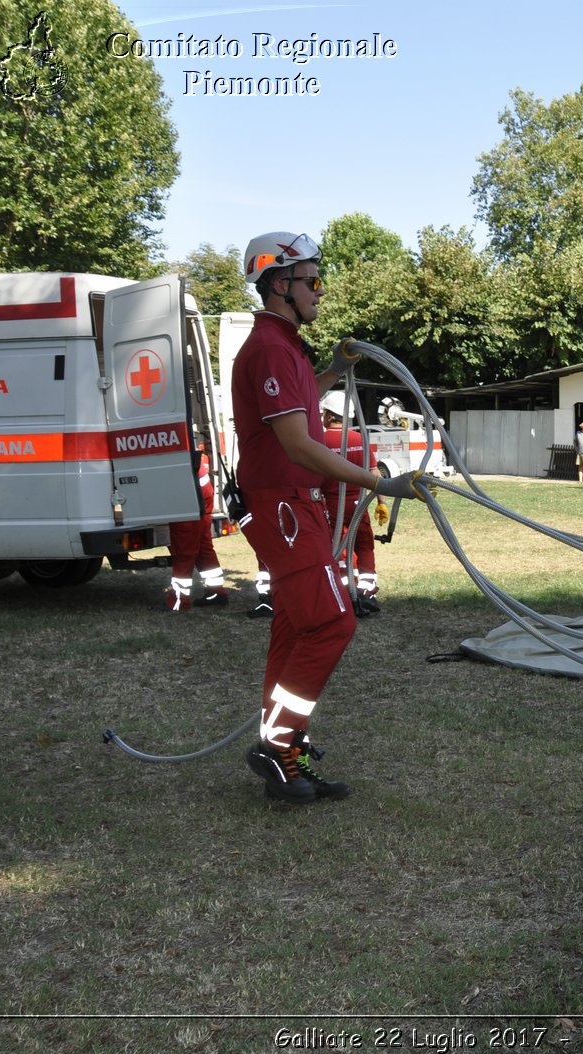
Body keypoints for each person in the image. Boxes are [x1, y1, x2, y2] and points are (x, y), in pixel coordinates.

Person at [233, 231, 426, 804]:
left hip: (294, 504)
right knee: (333, 624)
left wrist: (333, 370)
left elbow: (290, 408)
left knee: (295, 627)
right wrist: (379, 480)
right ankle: (281, 746)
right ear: (279, 284)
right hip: (287, 505)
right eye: (312, 280)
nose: (322, 291)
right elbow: (295, 442)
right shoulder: (269, 348)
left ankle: (280, 749)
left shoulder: (284, 346)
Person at [320, 392, 383, 617]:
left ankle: (348, 591)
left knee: (340, 549)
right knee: (364, 545)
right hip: (358, 504)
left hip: (330, 507)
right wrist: (381, 502)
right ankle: (367, 591)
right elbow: (373, 472)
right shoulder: (359, 440)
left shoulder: (319, 441)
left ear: (328, 416)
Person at [164, 431, 229, 611]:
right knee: (202, 546)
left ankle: (178, 601)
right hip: (201, 493)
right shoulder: (176, 432)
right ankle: (217, 591)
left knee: (184, 549)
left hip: (189, 497)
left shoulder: (165, 436)